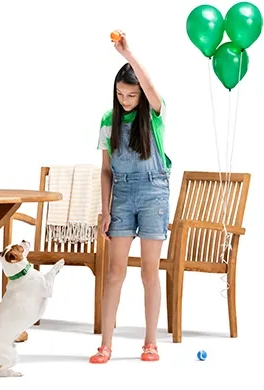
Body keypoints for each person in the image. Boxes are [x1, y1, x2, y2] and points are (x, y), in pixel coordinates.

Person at [90, 30, 171, 364]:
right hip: (121, 194)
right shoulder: (108, 121)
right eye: (121, 94)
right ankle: (105, 344)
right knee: (114, 272)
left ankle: (150, 342)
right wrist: (105, 209)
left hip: (154, 192)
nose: (125, 100)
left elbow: (151, 89)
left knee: (149, 272)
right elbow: (106, 170)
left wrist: (129, 55)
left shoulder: (153, 115)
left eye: (131, 95)